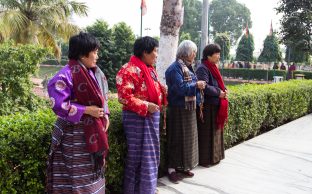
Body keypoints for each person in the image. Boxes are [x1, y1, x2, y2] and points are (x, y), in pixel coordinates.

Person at [46, 32, 110, 193]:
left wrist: (105, 114)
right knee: (76, 176)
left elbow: (103, 96)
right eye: (94, 52)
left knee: (92, 175)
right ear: (82, 54)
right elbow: (59, 105)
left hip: (92, 132)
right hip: (73, 135)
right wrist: (87, 110)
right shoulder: (63, 76)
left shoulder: (95, 73)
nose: (97, 56)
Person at [116, 36, 167, 194]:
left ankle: (147, 189)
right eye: (154, 51)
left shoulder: (150, 70)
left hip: (150, 117)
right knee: (137, 158)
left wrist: (162, 90)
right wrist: (146, 105)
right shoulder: (128, 70)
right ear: (145, 52)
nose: (156, 55)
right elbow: (124, 97)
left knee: (150, 156)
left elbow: (154, 91)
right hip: (136, 119)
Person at [165, 40, 206, 184]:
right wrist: (197, 84)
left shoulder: (187, 67)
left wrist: (197, 85)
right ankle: (171, 169)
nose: (195, 54)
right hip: (177, 108)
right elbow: (181, 88)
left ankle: (183, 166)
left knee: (188, 140)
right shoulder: (174, 68)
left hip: (188, 108)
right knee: (176, 139)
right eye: (193, 52)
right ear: (185, 52)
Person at [195, 43, 228, 167]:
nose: (219, 56)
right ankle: (205, 160)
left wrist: (224, 90)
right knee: (207, 134)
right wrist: (219, 92)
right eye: (217, 54)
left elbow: (218, 83)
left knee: (216, 133)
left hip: (216, 105)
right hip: (208, 106)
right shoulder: (203, 68)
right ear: (209, 55)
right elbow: (205, 86)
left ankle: (215, 157)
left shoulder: (213, 67)